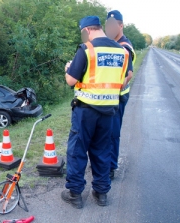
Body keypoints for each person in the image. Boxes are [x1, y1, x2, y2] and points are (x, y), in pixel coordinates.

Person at [61, 16, 129, 208]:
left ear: (86, 31)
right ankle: (101, 193)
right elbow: (123, 80)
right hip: (109, 111)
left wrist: (68, 69)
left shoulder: (87, 49)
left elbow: (71, 81)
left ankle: (74, 193)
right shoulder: (122, 51)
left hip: (86, 111)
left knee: (77, 151)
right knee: (102, 151)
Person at [105, 10, 136, 179]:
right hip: (109, 98)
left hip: (118, 97)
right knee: (105, 131)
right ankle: (104, 162)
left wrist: (112, 89)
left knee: (112, 132)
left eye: (112, 25)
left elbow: (128, 74)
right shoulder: (111, 44)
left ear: (121, 25)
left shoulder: (124, 46)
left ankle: (110, 167)